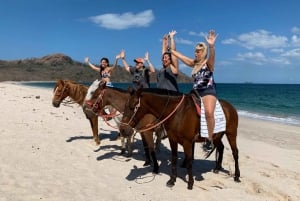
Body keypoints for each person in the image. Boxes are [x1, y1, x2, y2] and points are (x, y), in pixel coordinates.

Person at [170, 29, 218, 152]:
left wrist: (211, 46)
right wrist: (171, 41)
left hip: (208, 91)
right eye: (195, 51)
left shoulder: (208, 64)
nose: (195, 53)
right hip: (195, 92)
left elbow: (212, 58)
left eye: (198, 52)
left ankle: (209, 139)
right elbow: (180, 56)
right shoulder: (194, 63)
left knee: (208, 113)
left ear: (203, 52)